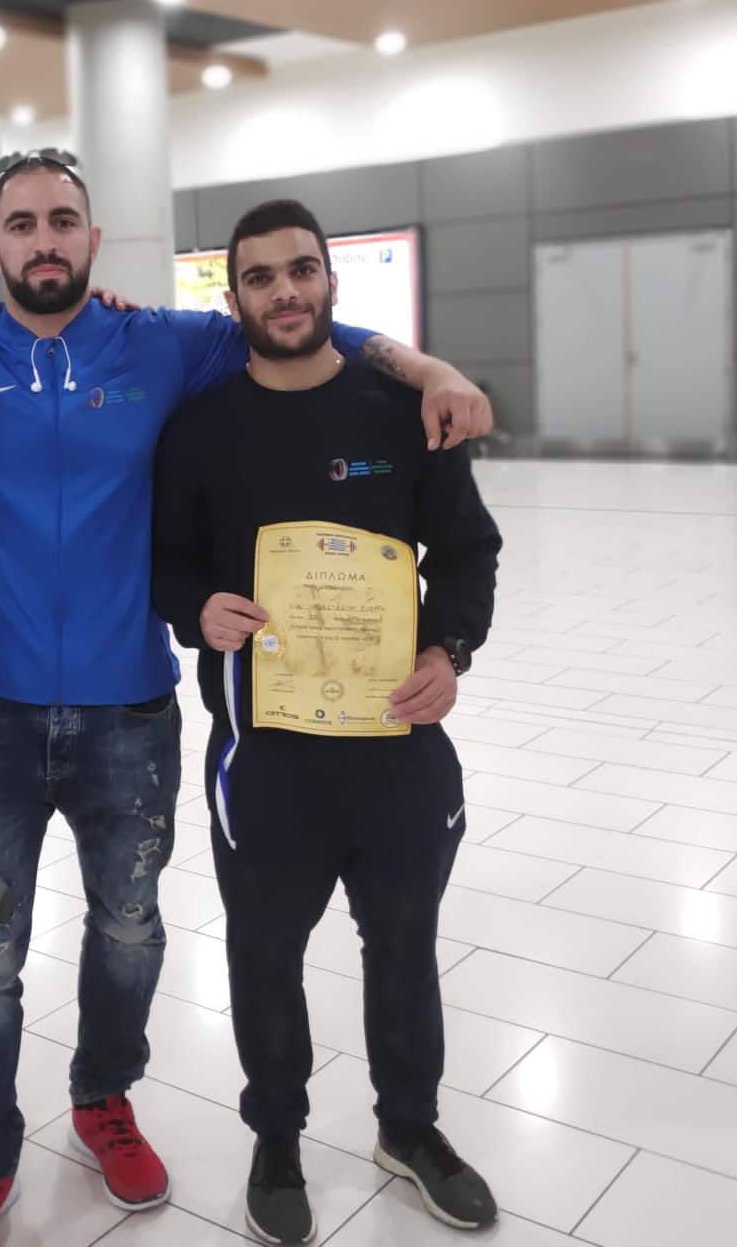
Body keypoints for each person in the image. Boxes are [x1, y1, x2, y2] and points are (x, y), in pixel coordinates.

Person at [0, 153, 494, 1246]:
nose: (44, 239)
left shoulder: (166, 343)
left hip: (128, 709)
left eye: (63, 220)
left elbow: (313, 329)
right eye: (21, 223)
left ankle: (104, 1099)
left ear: (94, 240)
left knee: (130, 930)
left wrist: (430, 369)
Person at [150, 198, 502, 1244]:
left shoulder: (403, 414)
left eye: (301, 269)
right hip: (266, 761)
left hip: (396, 748)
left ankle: (410, 1128)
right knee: (265, 957)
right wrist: (195, 612)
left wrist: (448, 651)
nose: (285, 291)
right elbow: (165, 564)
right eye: (260, 277)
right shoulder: (202, 429)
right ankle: (277, 1137)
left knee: (404, 946)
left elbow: (468, 551)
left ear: (331, 283)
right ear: (234, 300)